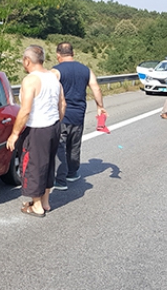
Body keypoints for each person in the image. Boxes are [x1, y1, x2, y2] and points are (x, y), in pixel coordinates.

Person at [6, 45, 66, 217]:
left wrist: (15, 134)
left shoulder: (30, 80)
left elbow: (25, 110)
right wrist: (55, 121)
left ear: (27, 60)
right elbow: (62, 104)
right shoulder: (53, 77)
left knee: (33, 165)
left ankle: (37, 206)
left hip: (37, 128)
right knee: (48, 164)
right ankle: (45, 202)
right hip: (53, 126)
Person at [51, 42, 107, 191]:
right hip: (79, 114)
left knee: (60, 147)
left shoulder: (55, 71)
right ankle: (72, 172)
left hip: (61, 115)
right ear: (73, 53)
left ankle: (60, 180)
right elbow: (96, 88)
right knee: (74, 145)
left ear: (58, 55)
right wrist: (100, 106)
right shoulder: (86, 70)